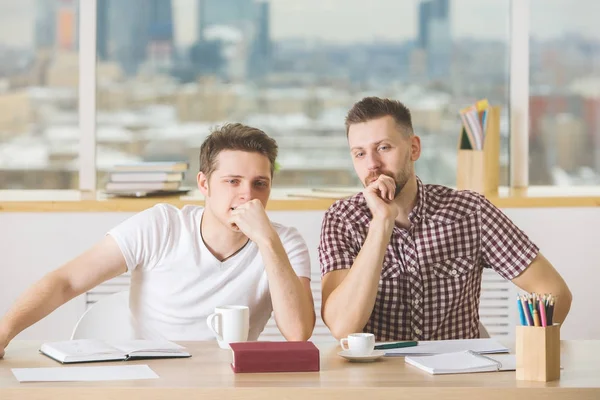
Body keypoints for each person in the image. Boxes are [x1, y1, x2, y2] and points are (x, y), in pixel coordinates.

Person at [0, 123, 315, 358]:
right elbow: (66, 281)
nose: (247, 194)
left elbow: (298, 333)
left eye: (260, 183)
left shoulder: (282, 242)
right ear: (204, 184)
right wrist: (4, 333)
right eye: (232, 181)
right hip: (151, 376)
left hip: (231, 382)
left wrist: (266, 241)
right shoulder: (162, 225)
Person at [318, 96, 572, 341]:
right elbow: (342, 327)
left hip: (458, 376)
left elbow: (554, 292)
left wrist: (527, 352)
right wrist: (381, 224)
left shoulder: (470, 211)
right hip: (380, 377)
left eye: (383, 147)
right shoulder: (342, 220)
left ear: (414, 148)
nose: (372, 164)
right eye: (360, 153)